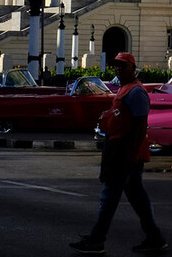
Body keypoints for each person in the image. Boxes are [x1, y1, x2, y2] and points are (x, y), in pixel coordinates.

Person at [70, 53, 166, 254]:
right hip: (118, 148)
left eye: (123, 66)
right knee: (137, 197)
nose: (118, 70)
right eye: (116, 67)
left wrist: (131, 153)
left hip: (125, 151)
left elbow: (140, 126)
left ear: (133, 68)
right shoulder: (125, 90)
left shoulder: (136, 92)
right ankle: (154, 237)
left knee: (109, 196)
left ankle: (97, 240)